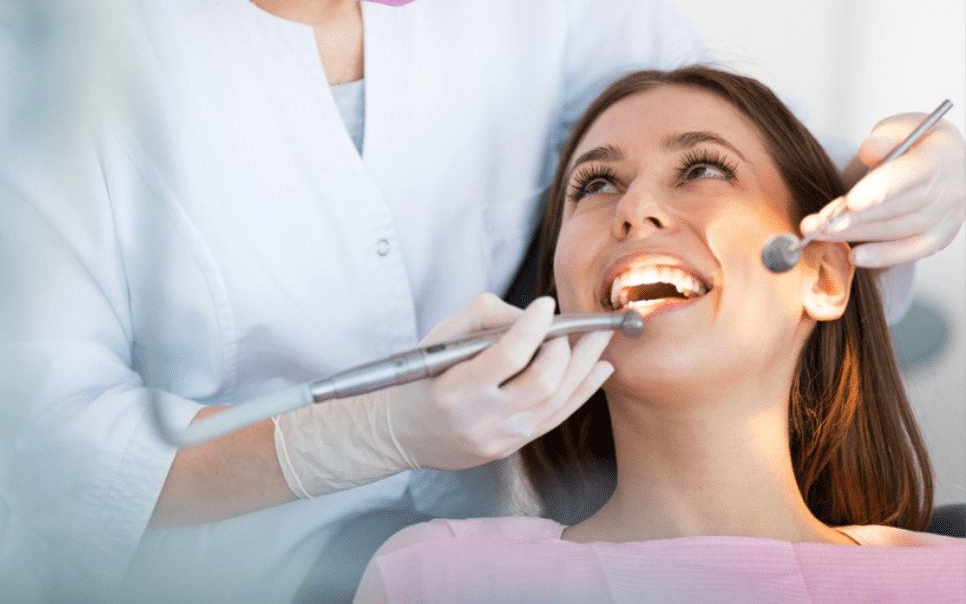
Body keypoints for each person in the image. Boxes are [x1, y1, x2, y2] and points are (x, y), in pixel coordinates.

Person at [0, 0, 965, 601]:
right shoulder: (70, 5)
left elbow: (702, 137)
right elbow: (53, 444)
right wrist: (351, 437)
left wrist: (878, 172)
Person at [354, 66, 966, 604]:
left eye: (702, 169)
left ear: (825, 275)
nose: (635, 206)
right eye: (595, 185)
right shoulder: (436, 580)